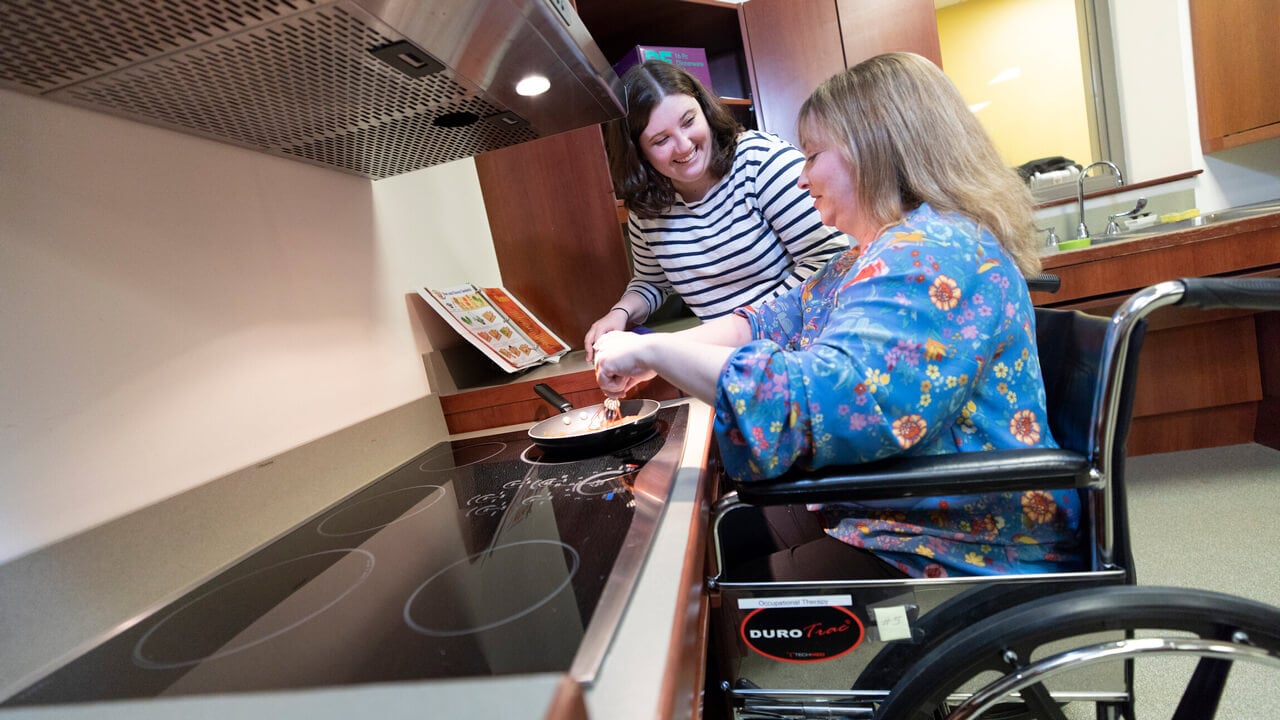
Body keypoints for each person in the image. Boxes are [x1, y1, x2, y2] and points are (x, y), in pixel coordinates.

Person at [591, 52, 1082, 580]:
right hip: (896, 503)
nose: (801, 179)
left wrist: (656, 349)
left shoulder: (928, 255)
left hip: (953, 537)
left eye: (811, 155)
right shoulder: (875, 253)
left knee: (695, 586)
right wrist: (655, 357)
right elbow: (767, 321)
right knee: (694, 547)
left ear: (872, 151)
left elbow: (818, 403)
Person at [582, 60, 848, 360]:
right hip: (727, 359)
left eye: (688, 121)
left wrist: (730, 330)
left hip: (806, 351)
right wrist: (620, 312)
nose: (683, 146)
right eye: (661, 140)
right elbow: (651, 281)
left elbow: (829, 261)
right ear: (638, 152)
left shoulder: (760, 162)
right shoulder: (647, 206)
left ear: (705, 111)